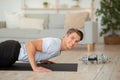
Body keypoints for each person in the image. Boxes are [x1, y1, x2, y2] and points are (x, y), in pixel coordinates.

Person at [0, 28, 83, 72]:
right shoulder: (55, 44)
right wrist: (35, 67)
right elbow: (30, 44)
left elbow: (40, 50)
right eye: (72, 38)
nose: (73, 43)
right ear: (66, 35)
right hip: (10, 50)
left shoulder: (58, 49)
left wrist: (42, 59)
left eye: (76, 41)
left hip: (12, 55)